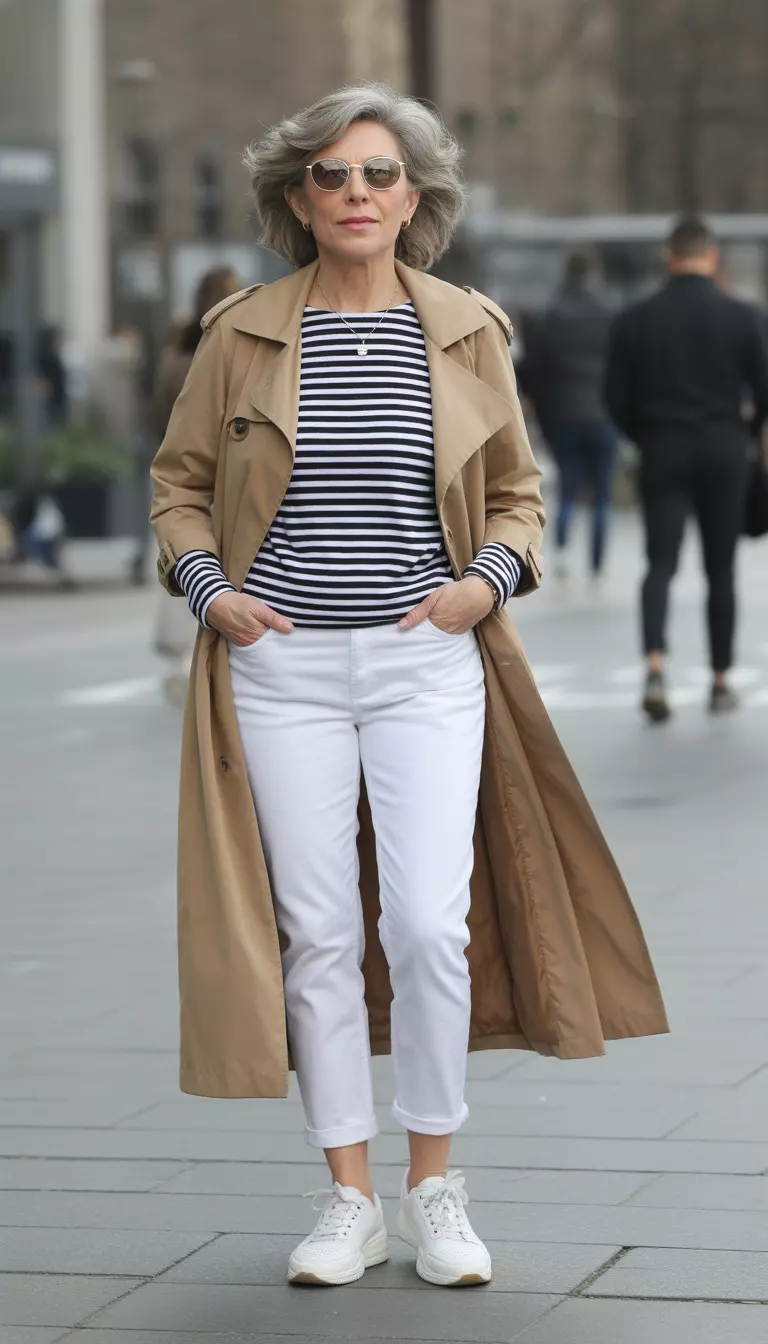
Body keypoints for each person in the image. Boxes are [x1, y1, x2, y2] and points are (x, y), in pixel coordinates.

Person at [150, 84, 667, 1290]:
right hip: (279, 666)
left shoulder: (467, 327)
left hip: (428, 658)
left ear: (417, 197)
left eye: (379, 175)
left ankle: (436, 1184)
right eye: (331, 176)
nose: (355, 195)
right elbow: (176, 484)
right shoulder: (243, 330)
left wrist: (480, 588)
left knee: (431, 926)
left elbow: (518, 496)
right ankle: (349, 1198)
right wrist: (209, 592)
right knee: (318, 935)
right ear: (296, 197)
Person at [606, 216, 768, 722]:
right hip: (723, 450)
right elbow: (763, 391)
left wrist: (646, 433)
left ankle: (655, 667)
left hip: (663, 448)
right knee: (720, 569)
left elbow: (614, 397)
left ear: (668, 257)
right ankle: (720, 680)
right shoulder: (744, 316)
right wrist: (745, 431)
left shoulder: (636, 319)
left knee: (660, 564)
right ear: (713, 256)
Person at [151, 267, 241, 700]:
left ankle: (185, 643)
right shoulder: (235, 338)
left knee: (185, 552)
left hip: (177, 454)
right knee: (226, 561)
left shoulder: (180, 340)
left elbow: (155, 400)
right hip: (228, 467)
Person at [522, 250, 618, 581]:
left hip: (564, 415)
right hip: (604, 414)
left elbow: (535, 369)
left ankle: (560, 552)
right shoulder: (609, 312)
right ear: (593, 273)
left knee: (567, 487)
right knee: (603, 494)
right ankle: (597, 564)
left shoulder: (553, 313)